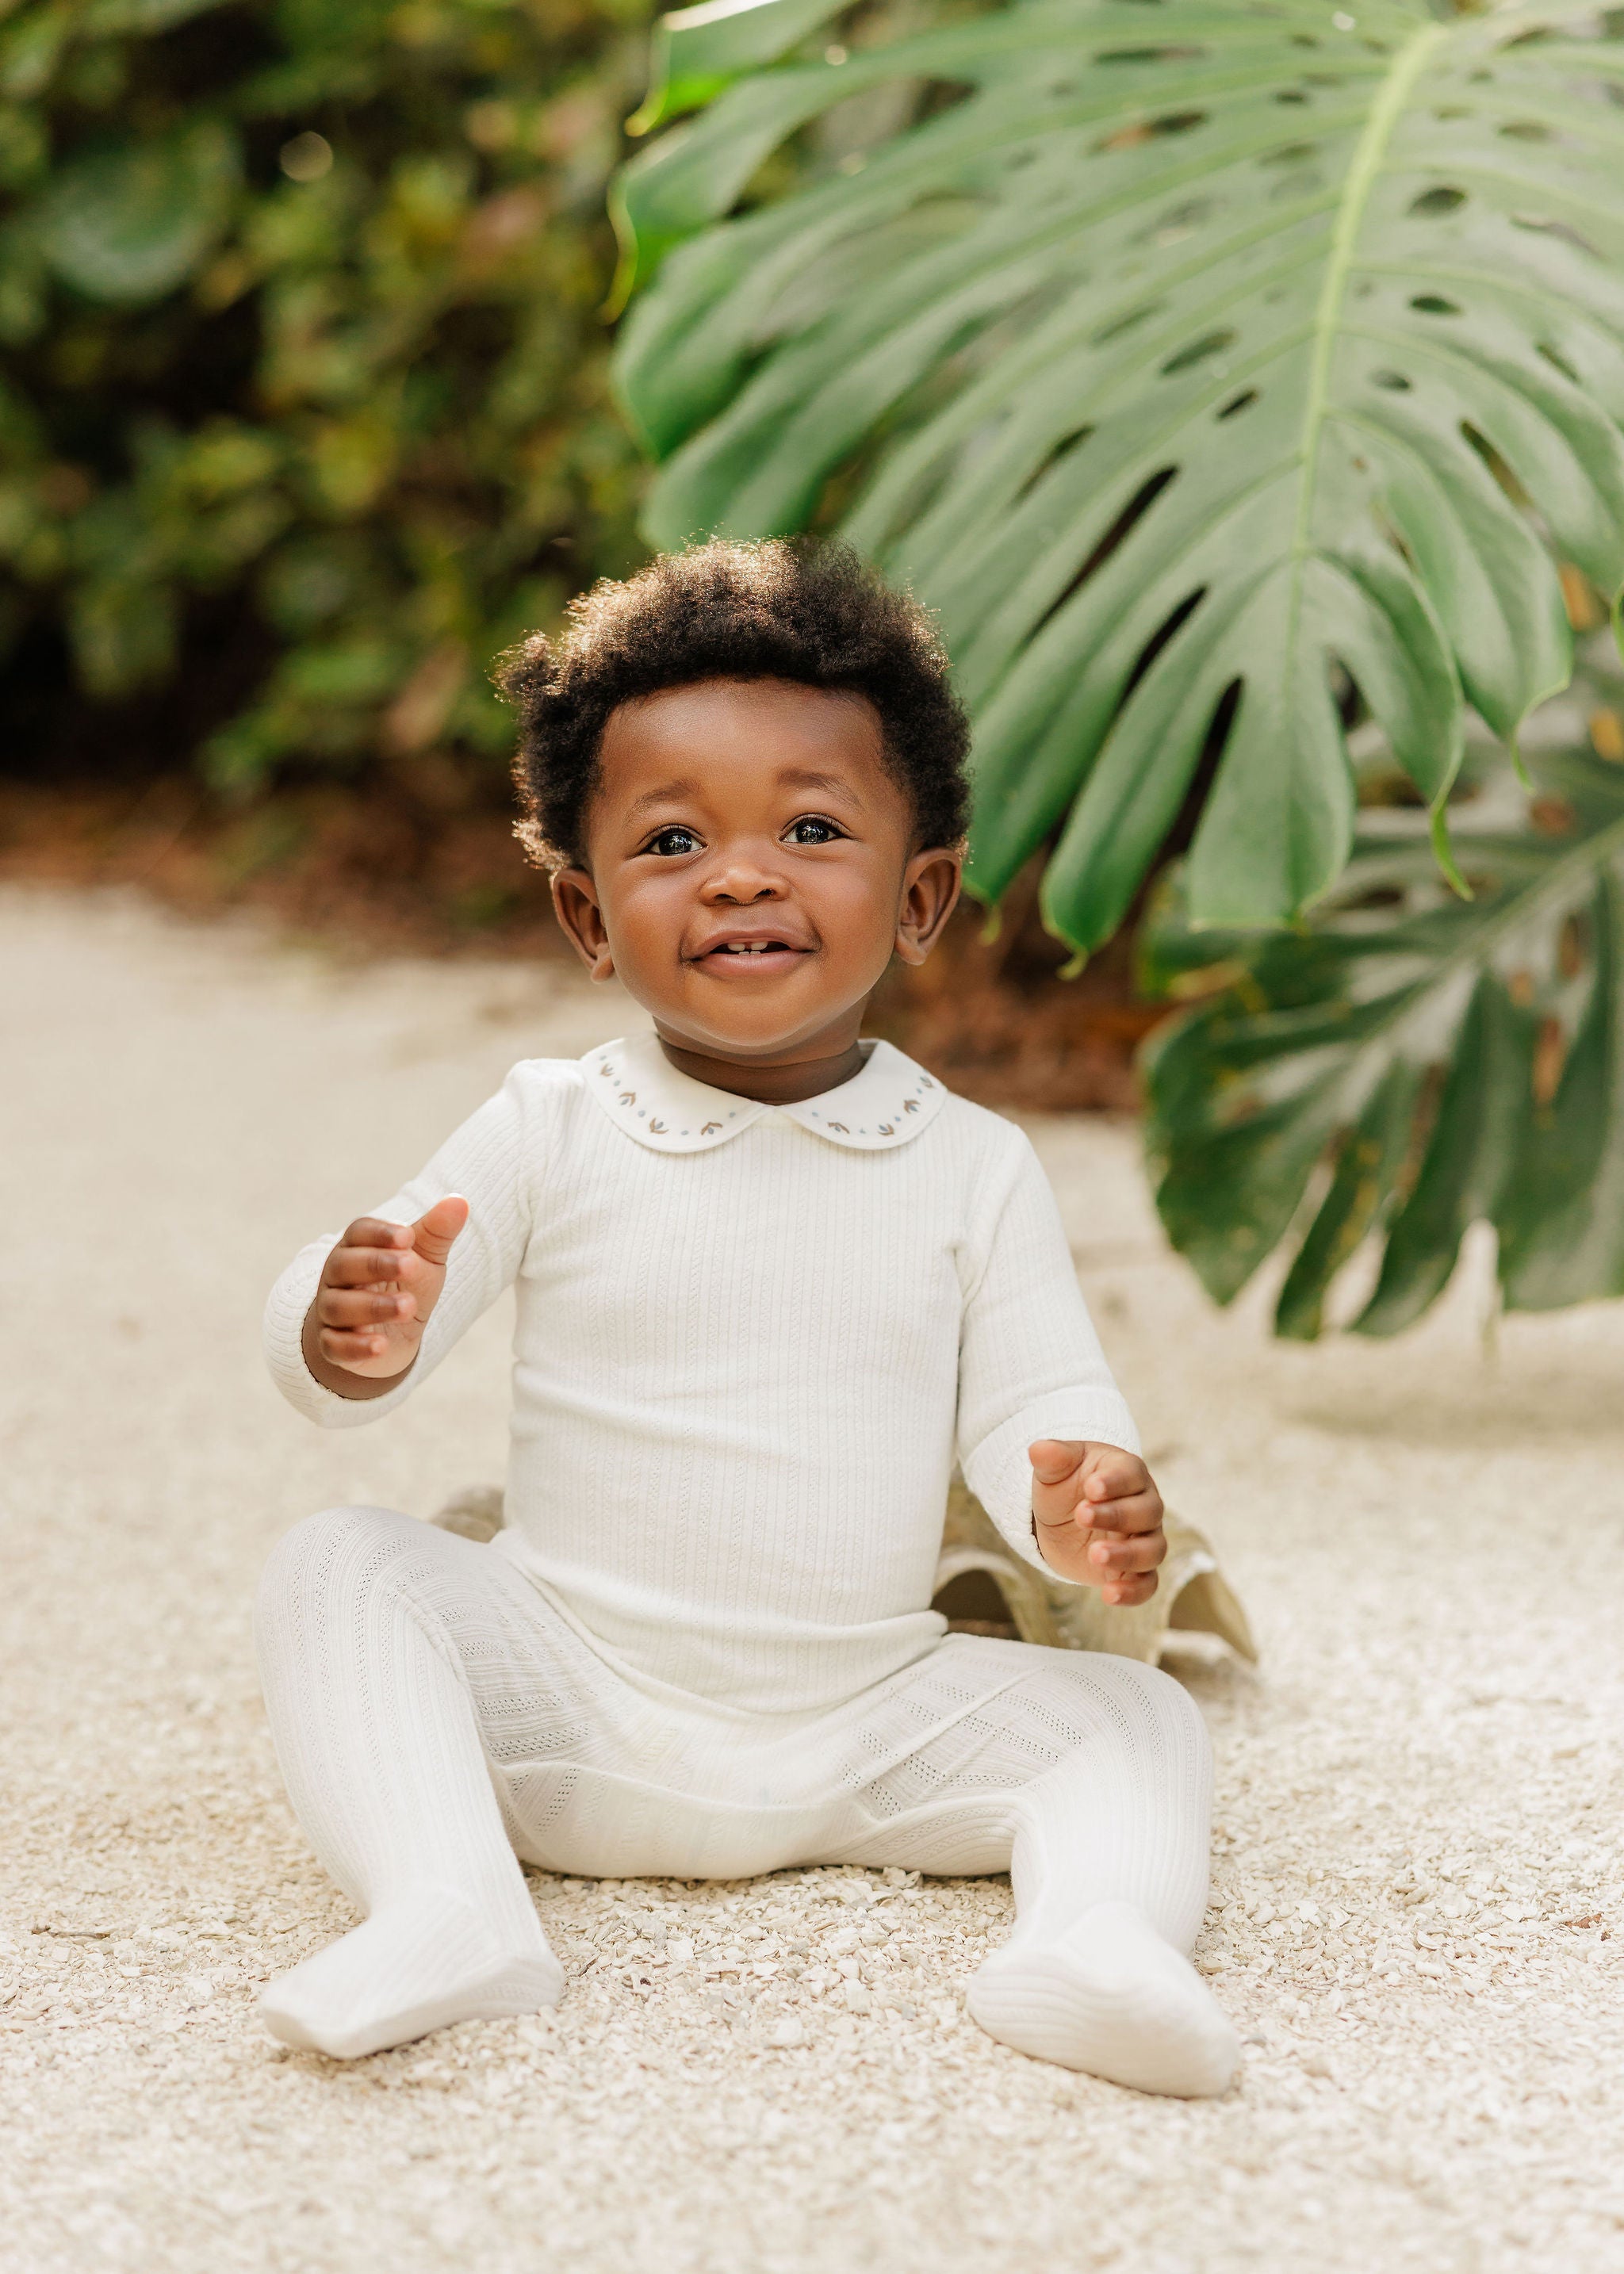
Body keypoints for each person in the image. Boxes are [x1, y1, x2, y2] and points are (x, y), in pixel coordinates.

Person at [255, 538, 1238, 2097]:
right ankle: (448, 1906)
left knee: (1135, 1721)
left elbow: (1037, 1403)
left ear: (920, 897)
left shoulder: (974, 1164)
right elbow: (375, 1324)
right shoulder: (549, 1126)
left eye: (811, 827)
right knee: (340, 1568)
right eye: (671, 840)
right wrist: (344, 1321)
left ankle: (1093, 1942)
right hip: (575, 1698)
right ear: (588, 917)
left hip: (863, 1722)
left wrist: (1076, 1499)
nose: (740, 875)